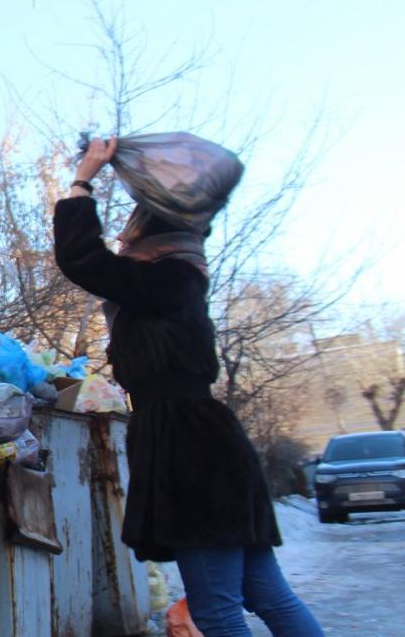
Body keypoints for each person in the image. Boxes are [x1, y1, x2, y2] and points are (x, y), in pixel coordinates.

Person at [53, 137, 323, 637]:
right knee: (265, 593)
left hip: (191, 450)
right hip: (207, 442)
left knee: (217, 611)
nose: (124, 236)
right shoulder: (175, 276)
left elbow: (82, 260)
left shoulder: (168, 278)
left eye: (133, 227)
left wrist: (82, 181)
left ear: (151, 235)